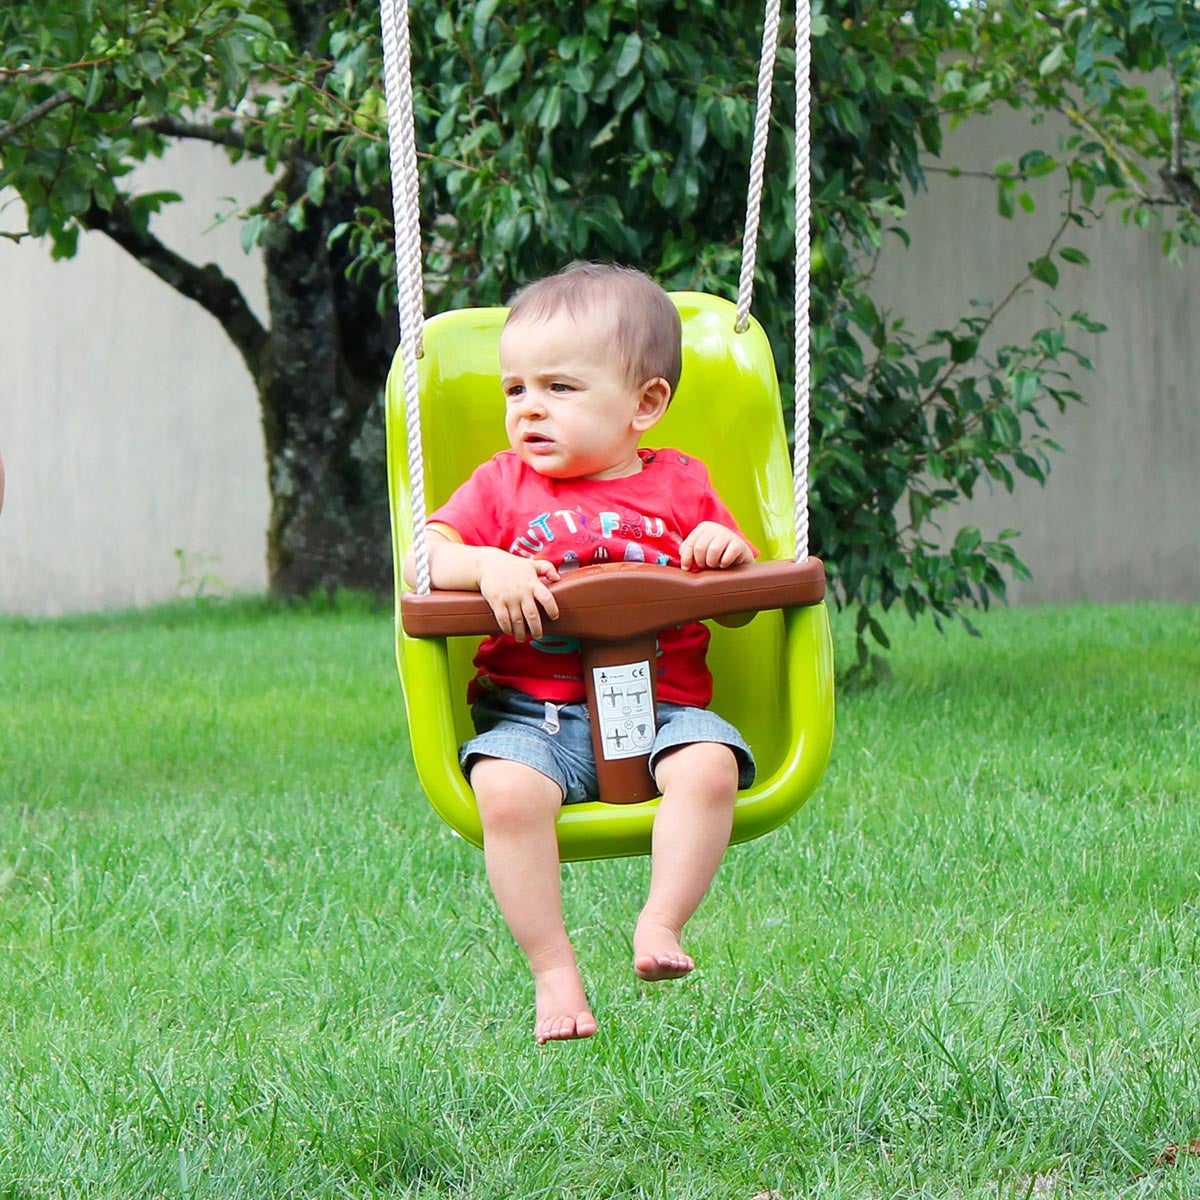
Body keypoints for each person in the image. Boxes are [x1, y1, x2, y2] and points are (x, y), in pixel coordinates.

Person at [405, 262, 758, 1045]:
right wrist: (487, 564)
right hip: (537, 718)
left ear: (646, 404)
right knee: (503, 794)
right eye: (515, 390)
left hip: (666, 710)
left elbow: (740, 606)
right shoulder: (501, 487)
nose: (530, 409)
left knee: (710, 768)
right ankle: (552, 969)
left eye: (559, 389)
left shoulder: (683, 489)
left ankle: (661, 924)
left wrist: (722, 549)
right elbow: (423, 559)